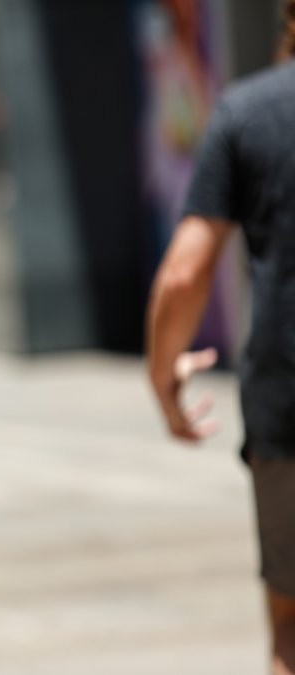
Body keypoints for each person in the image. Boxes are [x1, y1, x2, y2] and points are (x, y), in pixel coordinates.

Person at [146, 2, 295, 673]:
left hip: (286, 407)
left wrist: (163, 378)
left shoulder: (248, 112)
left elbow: (184, 272)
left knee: (291, 627)